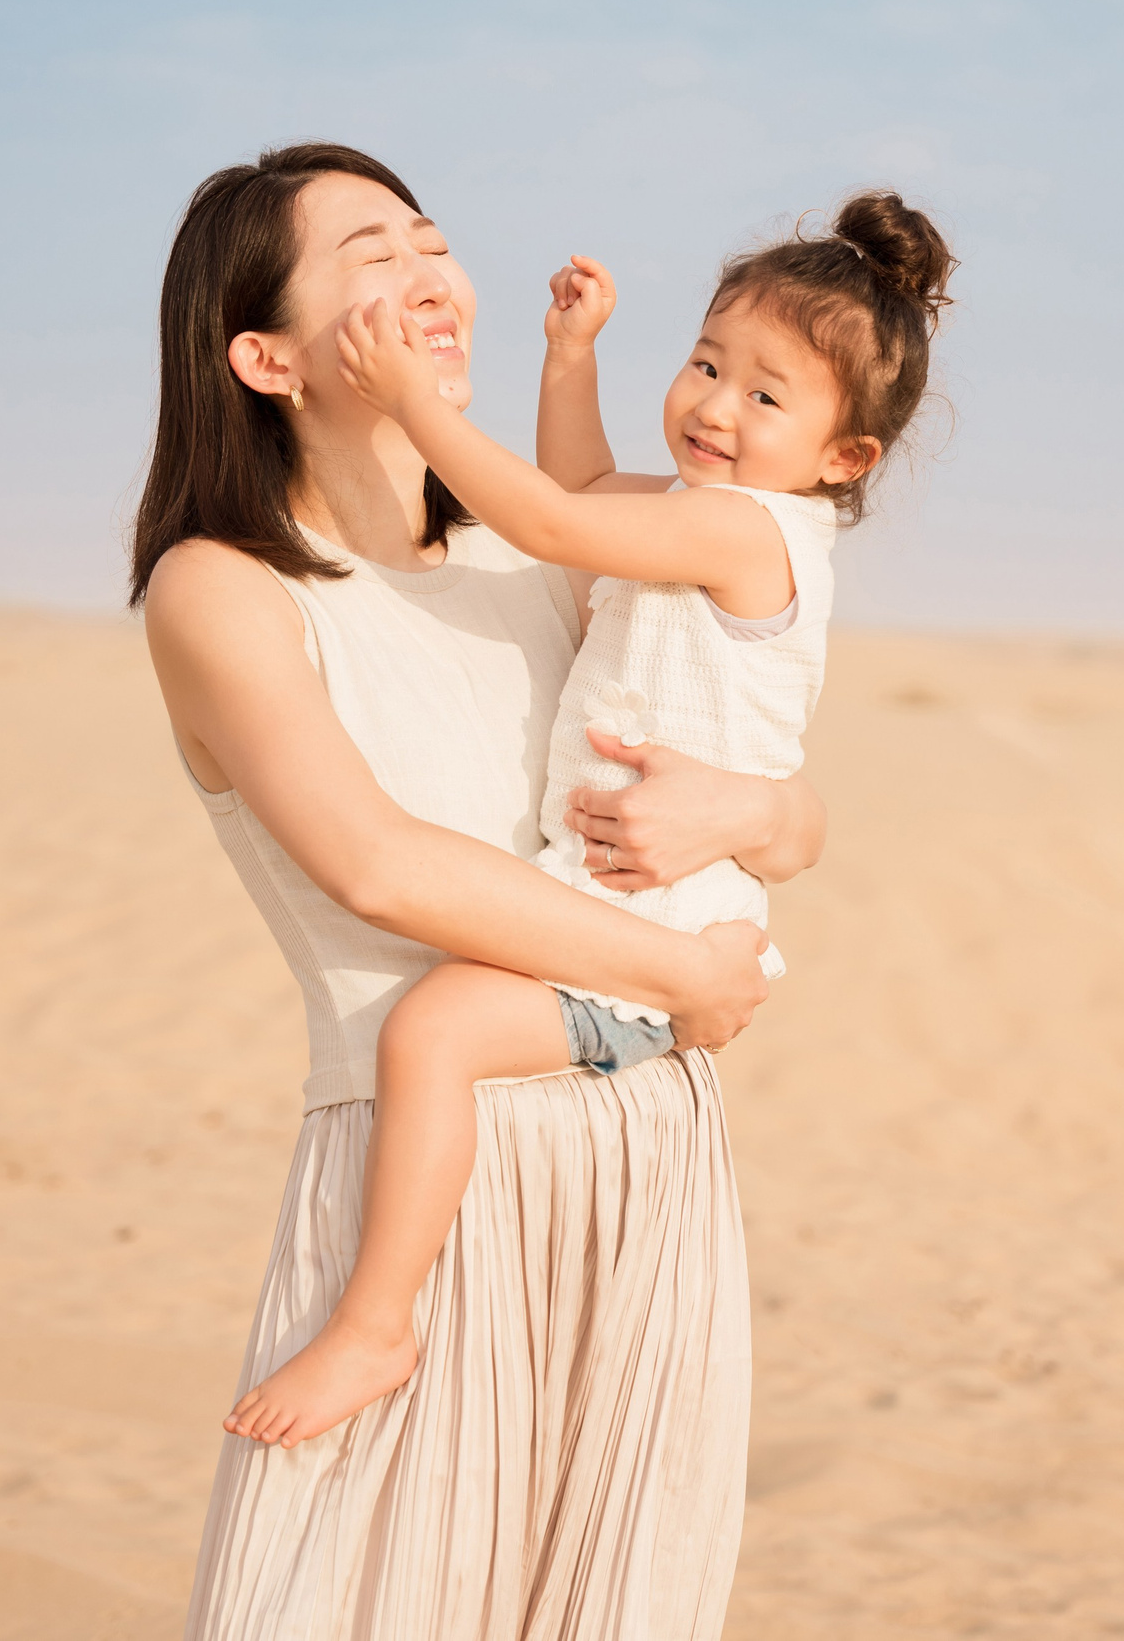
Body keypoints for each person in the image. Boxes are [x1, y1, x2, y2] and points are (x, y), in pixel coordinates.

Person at [135, 142, 824, 1640]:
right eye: (366, 257)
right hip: (424, 1163)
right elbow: (377, 863)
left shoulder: (540, 551)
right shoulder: (221, 589)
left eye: (427, 239)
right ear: (264, 355)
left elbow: (756, 756)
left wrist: (769, 811)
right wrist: (676, 973)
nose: (424, 273)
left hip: (641, 1147)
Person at [219, 191, 956, 1448]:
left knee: (436, 1029)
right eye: (706, 364)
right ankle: (385, 1316)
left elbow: (549, 521)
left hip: (653, 914)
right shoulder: (689, 509)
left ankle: (374, 1320)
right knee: (443, 1025)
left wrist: (417, 404)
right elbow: (576, 488)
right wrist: (574, 362)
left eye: (766, 397)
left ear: (846, 458)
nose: (715, 407)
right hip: (629, 904)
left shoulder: (740, 527)